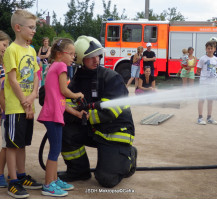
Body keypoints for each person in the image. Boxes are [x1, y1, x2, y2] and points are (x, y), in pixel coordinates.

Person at [58, 36, 137, 188]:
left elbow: (110, 112)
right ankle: (78, 171)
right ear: (81, 59)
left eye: (98, 55)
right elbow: (66, 103)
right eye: (90, 57)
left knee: (107, 179)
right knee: (64, 128)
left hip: (115, 132)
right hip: (94, 129)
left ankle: (128, 156)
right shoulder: (77, 79)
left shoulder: (112, 78)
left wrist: (79, 116)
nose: (96, 59)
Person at [37, 38, 84, 197]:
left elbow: (60, 100)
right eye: (70, 54)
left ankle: (54, 179)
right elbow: (65, 91)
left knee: (55, 149)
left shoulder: (53, 66)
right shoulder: (61, 66)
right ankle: (48, 185)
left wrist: (76, 113)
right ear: (59, 54)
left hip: (52, 114)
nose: (73, 57)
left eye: (74, 54)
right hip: (52, 116)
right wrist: (77, 95)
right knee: (55, 151)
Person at [3, 10, 42, 198]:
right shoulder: (11, 50)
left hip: (28, 104)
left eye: (35, 27)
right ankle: (13, 181)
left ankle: (21, 174)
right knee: (12, 144)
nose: (34, 31)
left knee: (22, 143)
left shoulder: (32, 49)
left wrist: (34, 94)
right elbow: (12, 80)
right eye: (31, 27)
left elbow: (35, 76)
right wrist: (24, 102)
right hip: (16, 106)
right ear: (18, 28)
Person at [196, 41, 217, 125]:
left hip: (213, 82)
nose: (210, 50)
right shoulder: (202, 59)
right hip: (204, 82)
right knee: (202, 99)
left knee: (210, 100)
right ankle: (200, 117)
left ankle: (209, 117)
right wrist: (204, 76)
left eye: (211, 48)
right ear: (206, 49)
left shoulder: (216, 59)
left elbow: (215, 69)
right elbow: (198, 70)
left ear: (214, 49)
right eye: (208, 48)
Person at [0, 30, 10, 188]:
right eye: (4, 44)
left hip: (5, 109)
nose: (6, 48)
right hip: (3, 109)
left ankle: (1, 173)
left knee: (6, 144)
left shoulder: (4, 64)